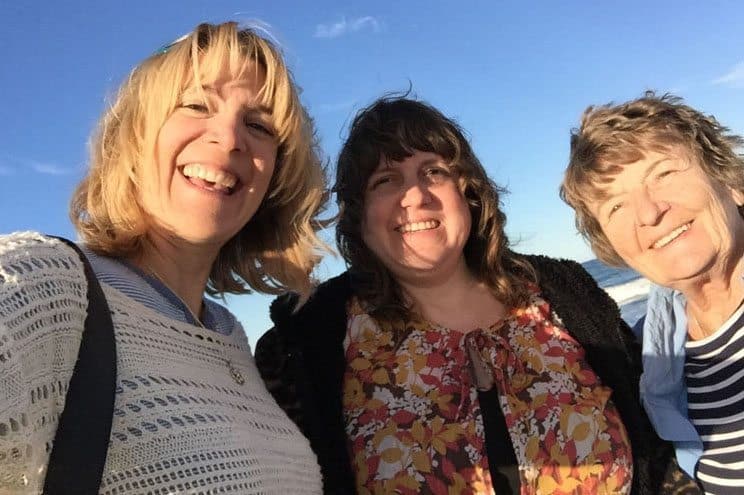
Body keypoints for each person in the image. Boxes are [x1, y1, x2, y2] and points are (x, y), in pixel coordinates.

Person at [256, 96, 697, 494]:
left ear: (468, 192)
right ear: (359, 215)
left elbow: (662, 452)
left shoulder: (567, 295)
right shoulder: (307, 344)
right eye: (386, 180)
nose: (415, 196)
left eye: (433, 171)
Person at [0, 21, 326, 493]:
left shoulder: (230, 337)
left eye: (258, 125)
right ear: (133, 135)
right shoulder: (48, 290)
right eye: (196, 105)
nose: (231, 138)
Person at [562, 92, 744, 494]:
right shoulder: (653, 354)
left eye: (663, 174)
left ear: (730, 182)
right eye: (615, 207)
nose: (649, 213)